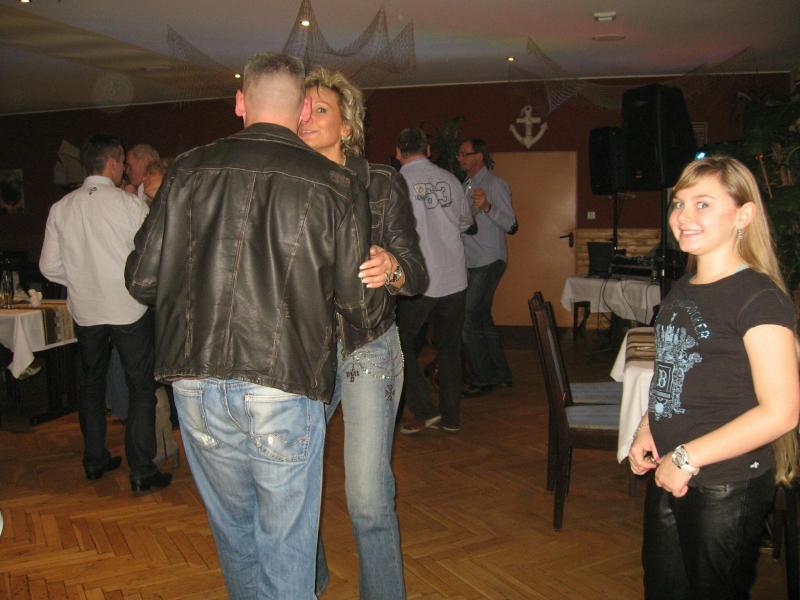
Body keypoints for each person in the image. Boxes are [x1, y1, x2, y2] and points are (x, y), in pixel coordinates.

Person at [125, 53, 386, 599]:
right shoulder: (337, 184)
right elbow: (360, 308)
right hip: (283, 382)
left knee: (236, 535)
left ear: (240, 101)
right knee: (285, 543)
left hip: (193, 381)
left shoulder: (188, 169)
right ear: (302, 111)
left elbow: (141, 280)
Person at [628, 155, 800, 599]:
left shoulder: (759, 298)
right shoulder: (684, 287)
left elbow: (781, 412)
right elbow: (673, 370)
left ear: (743, 215)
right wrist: (648, 427)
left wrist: (686, 458)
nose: (683, 216)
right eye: (678, 203)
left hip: (725, 482)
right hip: (673, 467)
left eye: (702, 204)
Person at [300, 67, 428, 599]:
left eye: (321, 109)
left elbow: (416, 274)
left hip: (366, 343)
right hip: (302, 350)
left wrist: (392, 267)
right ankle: (307, 582)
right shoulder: (287, 182)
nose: (307, 118)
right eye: (301, 109)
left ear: (347, 125)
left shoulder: (379, 181)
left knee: (368, 498)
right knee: (293, 488)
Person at [39, 133, 170, 494]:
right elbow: (150, 255)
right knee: (140, 388)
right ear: (112, 162)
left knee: (91, 386)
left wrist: (81, 279)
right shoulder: (128, 205)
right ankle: (141, 470)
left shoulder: (62, 208)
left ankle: (94, 458)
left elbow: (48, 267)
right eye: (122, 163)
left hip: (87, 311)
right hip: (128, 308)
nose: (124, 169)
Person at [395, 128, 474, 435]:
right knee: (450, 348)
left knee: (399, 345)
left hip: (419, 281)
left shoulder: (396, 182)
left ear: (398, 152)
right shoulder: (451, 179)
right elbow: (466, 222)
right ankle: (451, 417)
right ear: (428, 149)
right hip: (454, 276)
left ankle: (425, 410)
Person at [457, 138, 517, 397]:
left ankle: (482, 379)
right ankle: (501, 374)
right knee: (482, 319)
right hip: (472, 261)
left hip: (488, 260)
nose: (459, 158)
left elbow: (511, 224)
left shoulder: (495, 184)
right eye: (459, 154)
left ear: (479, 156)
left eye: (464, 154)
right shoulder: (466, 184)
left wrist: (488, 207)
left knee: (467, 320)